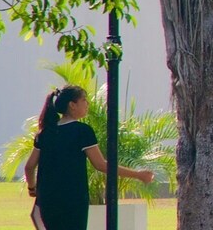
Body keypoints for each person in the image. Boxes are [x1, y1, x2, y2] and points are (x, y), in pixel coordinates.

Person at [21, 86, 154, 230]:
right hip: (73, 200)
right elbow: (101, 165)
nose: (87, 104)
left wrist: (32, 188)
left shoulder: (45, 133)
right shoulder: (82, 131)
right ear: (72, 105)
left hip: (47, 200)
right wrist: (137, 175)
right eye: (84, 100)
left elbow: (29, 166)